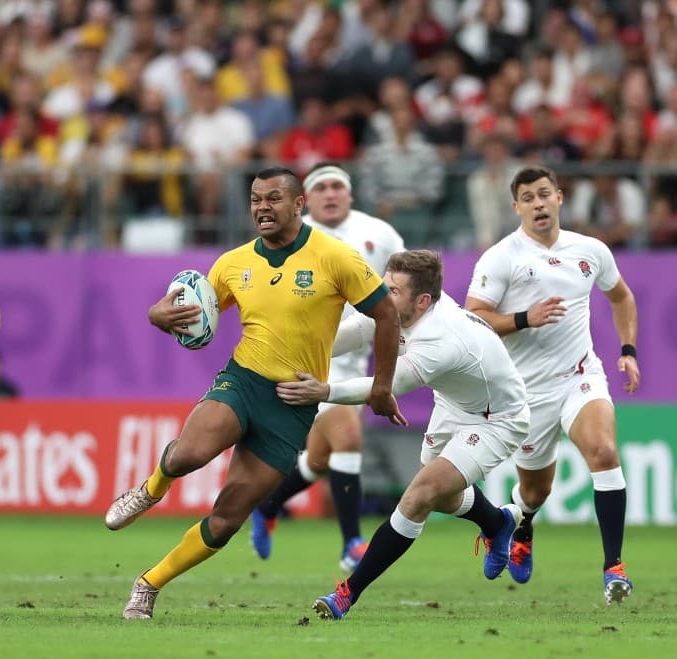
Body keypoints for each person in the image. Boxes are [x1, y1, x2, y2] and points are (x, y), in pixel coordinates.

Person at [104, 165, 404, 620]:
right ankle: (150, 489)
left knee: (226, 521)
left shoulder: (336, 257)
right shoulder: (233, 263)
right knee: (188, 454)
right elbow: (192, 311)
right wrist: (156, 316)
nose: (262, 208)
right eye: (255, 200)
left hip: (293, 403)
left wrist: (382, 386)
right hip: (243, 380)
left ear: (297, 204)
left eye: (273, 199)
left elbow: (386, 314)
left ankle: (148, 584)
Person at [274, 250, 529, 620]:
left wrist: (323, 390)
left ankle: (347, 593)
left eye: (393, 290)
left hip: (496, 419)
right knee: (442, 497)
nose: (383, 295)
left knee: (420, 495)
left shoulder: (441, 339)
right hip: (454, 403)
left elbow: (387, 385)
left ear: (422, 301)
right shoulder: (401, 310)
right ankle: (497, 522)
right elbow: (358, 330)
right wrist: (295, 352)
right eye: (384, 285)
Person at [464, 165, 639, 605]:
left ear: (560, 197)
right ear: (516, 206)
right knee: (535, 491)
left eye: (545, 194)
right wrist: (525, 318)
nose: (538, 203)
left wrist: (629, 349)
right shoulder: (502, 257)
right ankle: (519, 523)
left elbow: (621, 296)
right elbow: (473, 317)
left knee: (603, 451)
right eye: (528, 197)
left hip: (580, 375)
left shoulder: (590, 250)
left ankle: (614, 568)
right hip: (526, 392)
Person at [250, 162, 406, 574]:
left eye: (338, 186)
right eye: (322, 188)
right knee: (348, 439)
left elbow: (403, 286)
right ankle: (352, 541)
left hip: (357, 353)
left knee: (320, 458)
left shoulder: (380, 234)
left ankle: (267, 504)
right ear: (305, 199)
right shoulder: (288, 238)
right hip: (310, 356)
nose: (331, 194)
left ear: (350, 194)